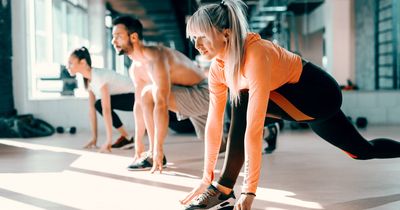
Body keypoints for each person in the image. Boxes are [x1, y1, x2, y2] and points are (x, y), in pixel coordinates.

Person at [180, 0, 400, 209]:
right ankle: (222, 188)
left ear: (225, 33)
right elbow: (214, 124)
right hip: (292, 104)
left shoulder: (255, 54)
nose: (197, 45)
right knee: (361, 151)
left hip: (319, 95)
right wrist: (205, 176)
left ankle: (224, 189)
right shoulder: (218, 69)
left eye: (202, 37)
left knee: (241, 102)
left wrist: (249, 190)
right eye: (193, 38)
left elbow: (253, 128)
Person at [111, 16, 210, 172]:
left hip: (205, 93)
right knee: (220, 145)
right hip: (187, 94)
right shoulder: (135, 68)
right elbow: (138, 105)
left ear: (134, 37)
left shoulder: (156, 57)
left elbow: (161, 103)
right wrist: (138, 141)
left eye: (118, 36)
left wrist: (158, 148)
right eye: (112, 36)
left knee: (148, 93)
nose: (113, 41)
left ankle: (154, 154)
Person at [67, 47, 135, 153]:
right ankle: (127, 137)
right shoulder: (88, 80)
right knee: (97, 105)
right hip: (128, 97)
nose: (68, 66)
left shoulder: (98, 76)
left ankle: (126, 137)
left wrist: (108, 140)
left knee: (100, 104)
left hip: (137, 96)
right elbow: (92, 110)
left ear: (83, 62)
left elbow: (106, 109)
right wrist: (94, 139)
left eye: (70, 63)